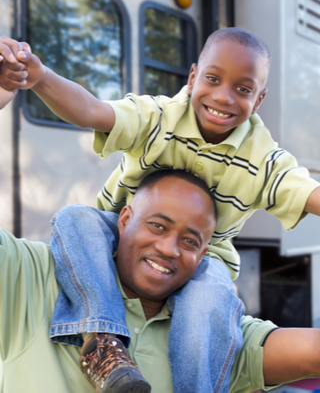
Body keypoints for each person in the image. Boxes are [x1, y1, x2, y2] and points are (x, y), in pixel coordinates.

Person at [1, 27, 320, 391]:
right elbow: (91, 110)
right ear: (193, 76)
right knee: (76, 218)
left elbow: (309, 195)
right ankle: (103, 343)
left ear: (259, 99)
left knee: (209, 300)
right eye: (213, 79)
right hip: (112, 229)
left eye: (243, 90)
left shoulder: (263, 160)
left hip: (206, 258)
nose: (224, 97)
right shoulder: (157, 117)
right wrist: (40, 77)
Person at [2, 169, 320, 393]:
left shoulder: (213, 332)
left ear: (204, 253)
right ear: (124, 220)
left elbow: (311, 352)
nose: (168, 249)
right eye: (157, 226)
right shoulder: (34, 276)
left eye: (190, 241)